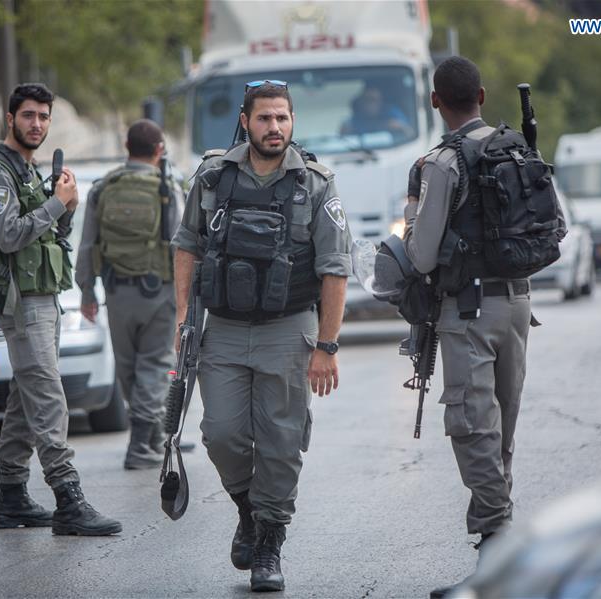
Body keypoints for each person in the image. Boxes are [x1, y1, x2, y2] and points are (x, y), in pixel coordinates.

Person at [171, 81, 352, 592]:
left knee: (281, 440)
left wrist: (327, 345)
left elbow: (335, 268)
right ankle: (248, 508)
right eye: (265, 118)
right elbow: (187, 245)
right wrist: (184, 318)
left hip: (289, 328)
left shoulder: (315, 183)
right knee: (221, 433)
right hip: (224, 329)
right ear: (245, 122)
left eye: (283, 118)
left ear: (292, 121)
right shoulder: (212, 177)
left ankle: (269, 540)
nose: (275, 127)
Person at [402, 57, 532, 597]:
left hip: (469, 312)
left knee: (473, 427)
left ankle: (498, 547)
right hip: (518, 302)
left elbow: (422, 256)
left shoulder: (442, 163)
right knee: (499, 426)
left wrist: (412, 211)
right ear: (481, 95)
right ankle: (498, 550)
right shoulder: (516, 148)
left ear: (436, 101)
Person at [0, 83, 122, 536]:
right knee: (49, 397)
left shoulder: (28, 171)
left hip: (45, 297)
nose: (36, 124)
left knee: (25, 396)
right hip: (22, 302)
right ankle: (68, 498)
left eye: (43, 116)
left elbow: (52, 235)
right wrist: (58, 203)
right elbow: (9, 235)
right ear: (10, 118)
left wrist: (66, 204)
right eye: (28, 115)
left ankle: (12, 495)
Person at [75, 119, 189, 470]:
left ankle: (152, 437)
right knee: (156, 365)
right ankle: (141, 445)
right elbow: (182, 245)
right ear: (159, 150)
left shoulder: (103, 188)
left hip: (116, 293)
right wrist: (187, 299)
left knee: (128, 368)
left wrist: (86, 292)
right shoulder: (167, 188)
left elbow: (88, 244)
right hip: (160, 293)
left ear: (126, 147)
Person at [340, 85, 414, 139]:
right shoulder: (356, 119)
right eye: (367, 100)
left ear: (381, 102)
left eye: (373, 100)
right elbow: (343, 138)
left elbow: (409, 132)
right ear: (361, 103)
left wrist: (400, 126)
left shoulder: (391, 112)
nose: (370, 104)